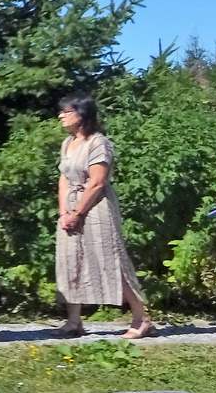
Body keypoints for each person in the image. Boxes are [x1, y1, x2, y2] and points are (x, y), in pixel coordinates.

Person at [51, 93, 153, 339]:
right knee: (70, 260)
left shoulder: (98, 143)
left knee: (110, 259)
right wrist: (64, 212)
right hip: (70, 206)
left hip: (95, 207)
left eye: (66, 111)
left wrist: (78, 212)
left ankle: (142, 319)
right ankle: (73, 321)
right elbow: (64, 178)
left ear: (82, 114)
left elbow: (97, 182)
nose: (61, 116)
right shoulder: (68, 143)